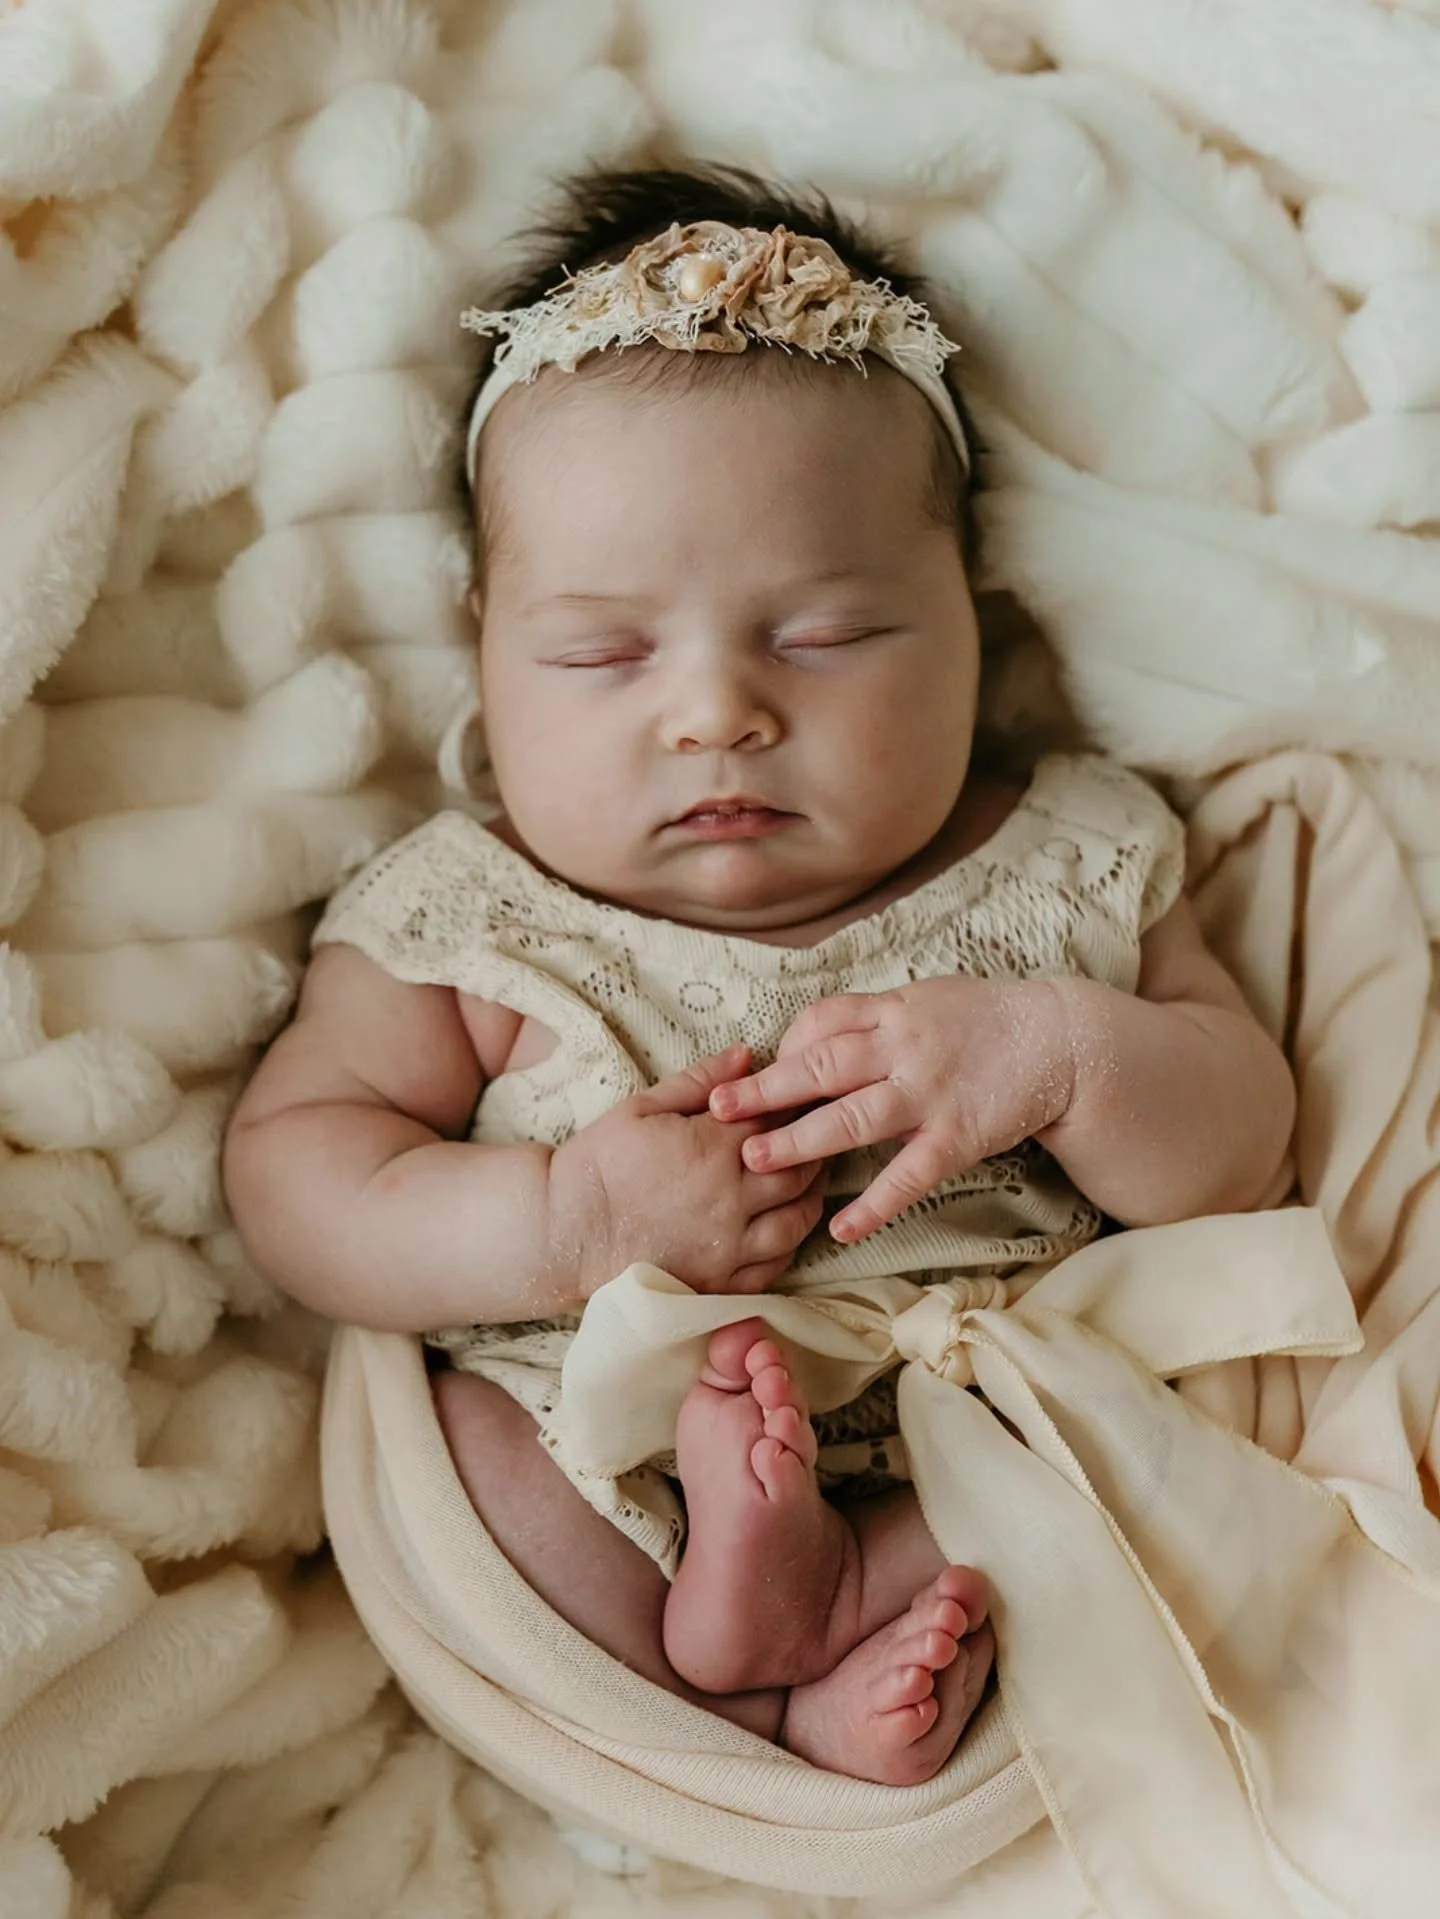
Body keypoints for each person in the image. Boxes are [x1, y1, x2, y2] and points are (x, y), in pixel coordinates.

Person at [222, 165, 1296, 1788]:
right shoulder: (471, 917)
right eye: (602, 654)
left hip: (989, 1419)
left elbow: (1244, 1151)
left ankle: (840, 1613)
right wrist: (563, 1222)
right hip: (616, 1454)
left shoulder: (1066, 860)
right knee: (471, 1466)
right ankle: (729, 1701)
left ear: (976, 626)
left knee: (1175, 1447)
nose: (715, 712)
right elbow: (299, 1172)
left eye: (822, 635)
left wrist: (1068, 1056)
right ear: (486, 645)